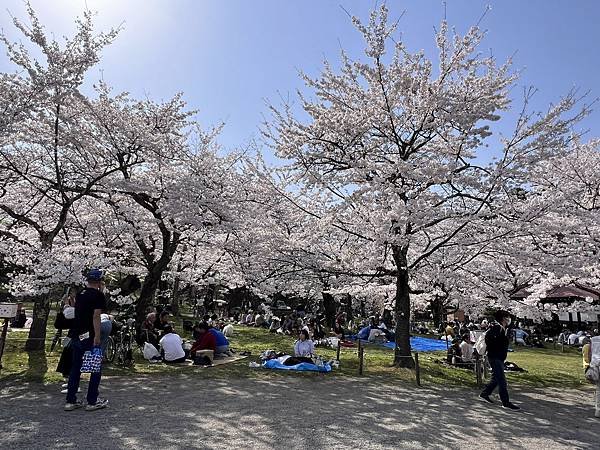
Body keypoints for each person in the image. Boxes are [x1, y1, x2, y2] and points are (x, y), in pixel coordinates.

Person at [64, 269, 108, 411]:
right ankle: (92, 401)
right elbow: (96, 316)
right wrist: (97, 335)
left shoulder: (81, 294)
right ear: (100, 281)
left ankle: (71, 400)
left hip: (77, 334)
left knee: (75, 368)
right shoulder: (98, 295)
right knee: (95, 367)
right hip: (90, 335)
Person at [479, 310, 520, 410]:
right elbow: (490, 339)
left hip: (497, 357)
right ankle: (505, 402)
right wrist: (496, 348)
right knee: (502, 380)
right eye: (507, 317)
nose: (509, 319)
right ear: (503, 319)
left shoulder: (501, 328)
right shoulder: (497, 328)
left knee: (496, 379)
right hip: (495, 357)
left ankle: (485, 394)